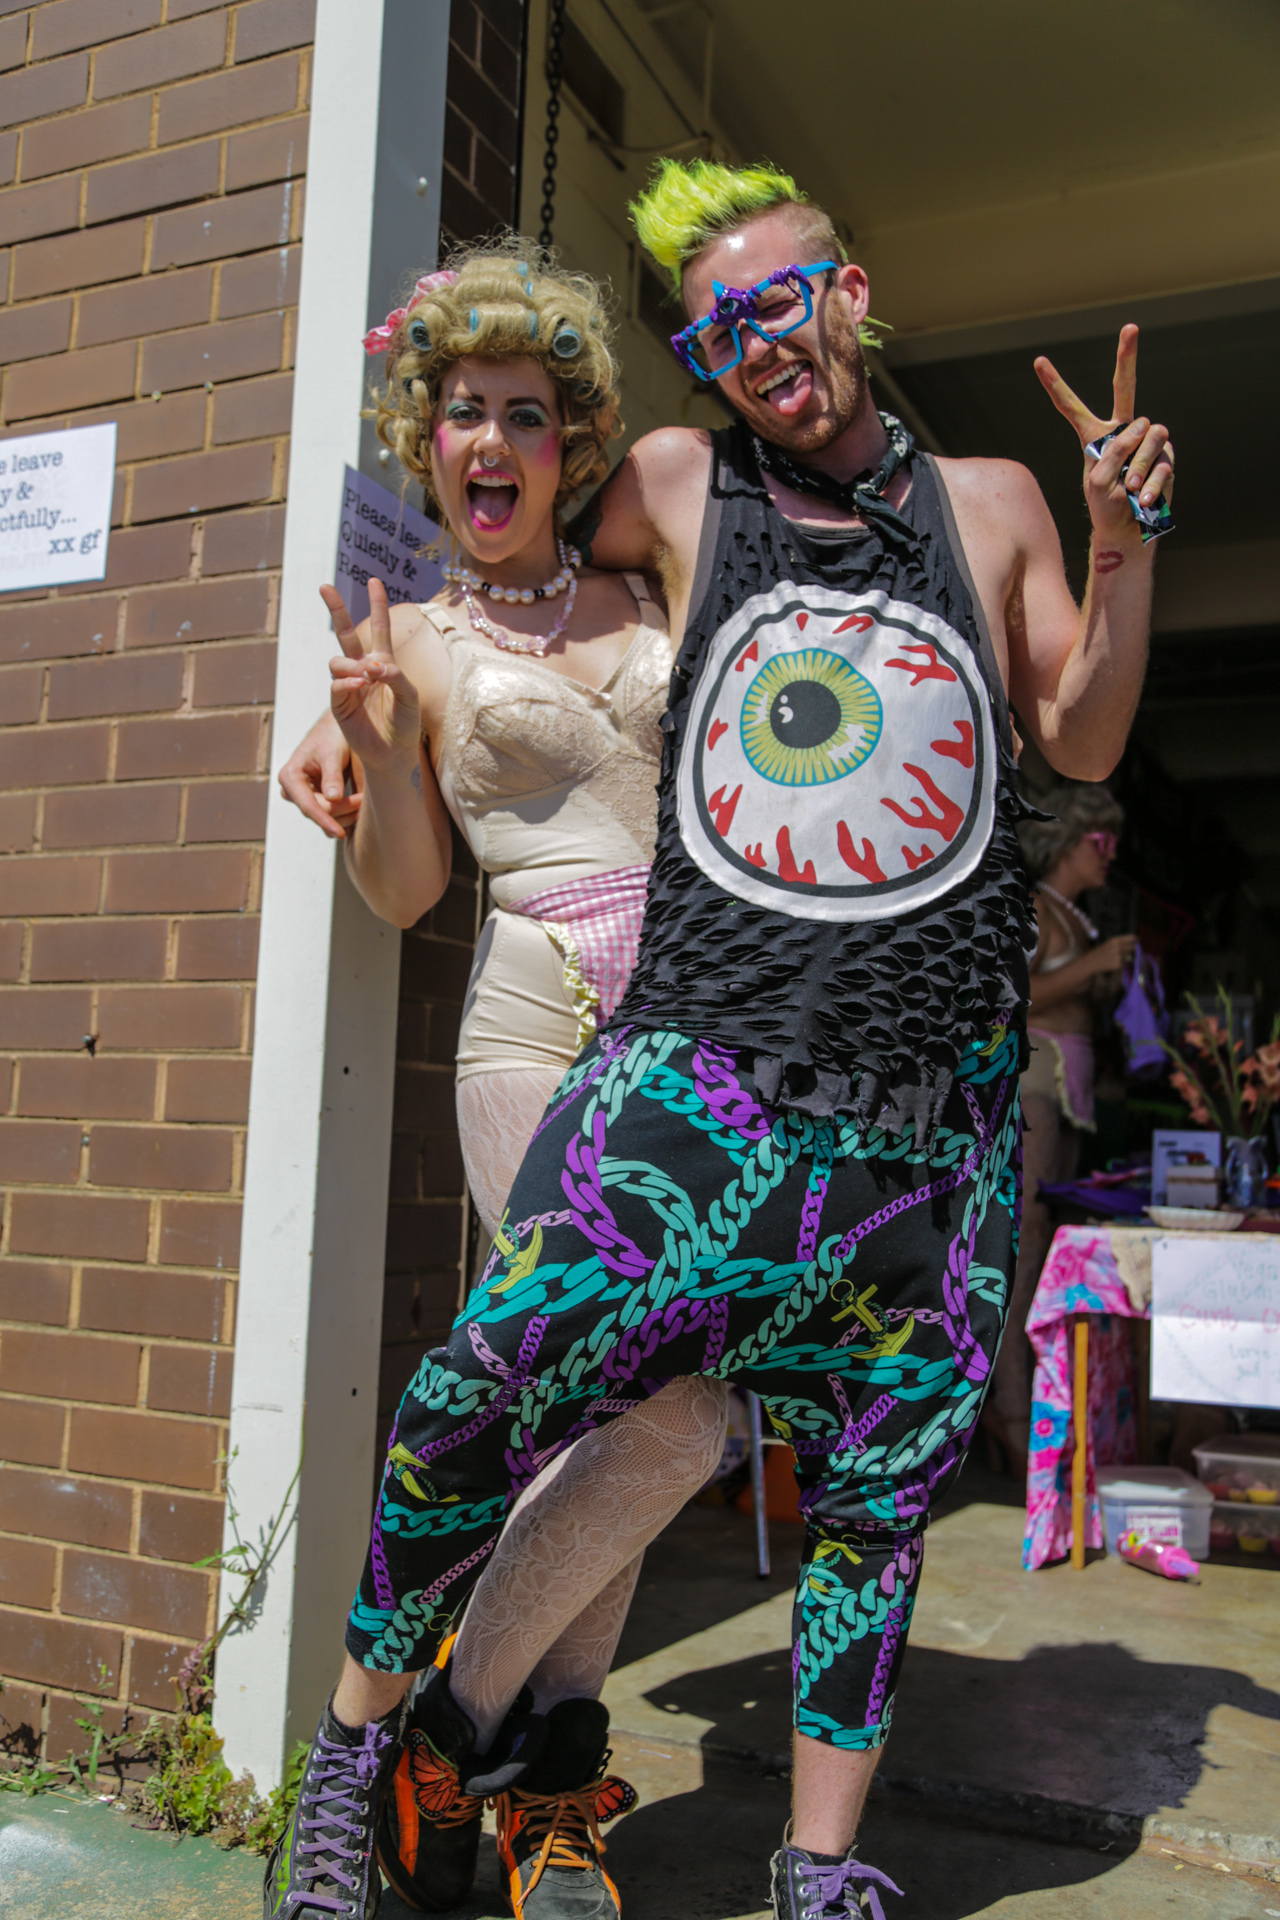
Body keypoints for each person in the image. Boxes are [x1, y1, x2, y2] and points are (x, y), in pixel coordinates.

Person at [273, 159, 1174, 1920]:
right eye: (717, 329)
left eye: (782, 302)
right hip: (631, 1042)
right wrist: (359, 712)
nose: (759, 345)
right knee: (552, 1398)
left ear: (853, 295)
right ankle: (386, 1755)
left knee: (794, 1464)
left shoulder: (958, 508)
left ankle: (622, 1803)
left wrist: (1123, 536)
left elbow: (1070, 731)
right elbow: (490, 564)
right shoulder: (670, 493)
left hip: (874, 1066)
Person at [270, 244, 728, 1920]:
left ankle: (485, 1762)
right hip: (535, 1032)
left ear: (568, 443)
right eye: (464, 410)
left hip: (696, 1045)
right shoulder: (408, 635)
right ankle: (427, 1754)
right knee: (674, 1410)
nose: (492, 440)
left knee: (628, 1421)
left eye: (525, 415)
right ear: (430, 435)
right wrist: (380, 741)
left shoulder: (648, 588)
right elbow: (404, 892)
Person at [984, 786, 1134, 1473]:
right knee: (1024, 1247)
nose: (1109, 854)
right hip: (1036, 1087)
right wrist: (1094, 967)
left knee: (1050, 1252)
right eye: (1100, 841)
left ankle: (1041, 1409)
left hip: (1068, 1093)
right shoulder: (1039, 906)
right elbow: (1016, 994)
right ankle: (1010, 1411)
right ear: (1069, 842)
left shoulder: (1074, 913)